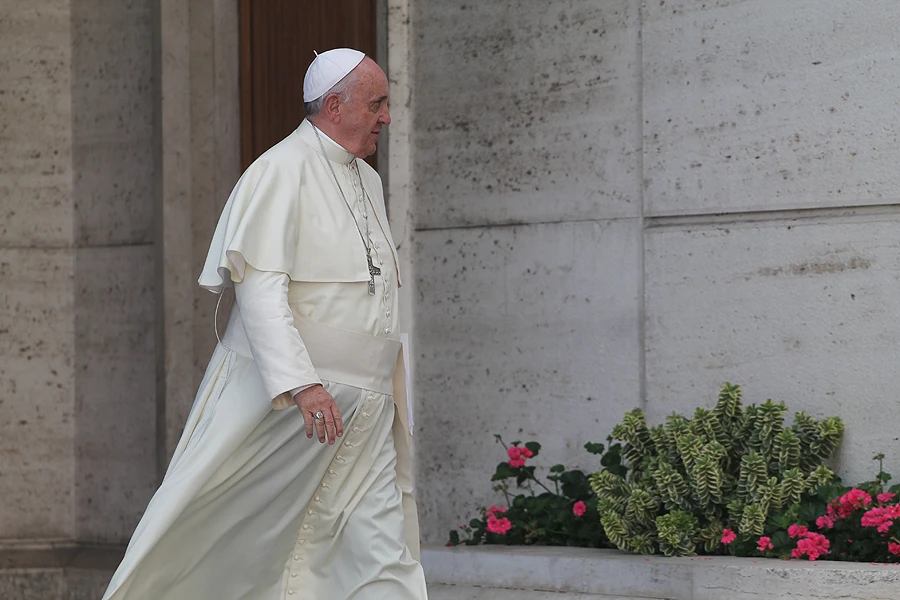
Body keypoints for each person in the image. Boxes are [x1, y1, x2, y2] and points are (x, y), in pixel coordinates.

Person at [101, 48, 428, 600]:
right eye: (377, 104)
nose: (387, 117)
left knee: (380, 549)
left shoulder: (368, 181)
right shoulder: (279, 170)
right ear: (334, 106)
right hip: (296, 408)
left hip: (367, 410)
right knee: (237, 540)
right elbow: (260, 291)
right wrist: (302, 385)